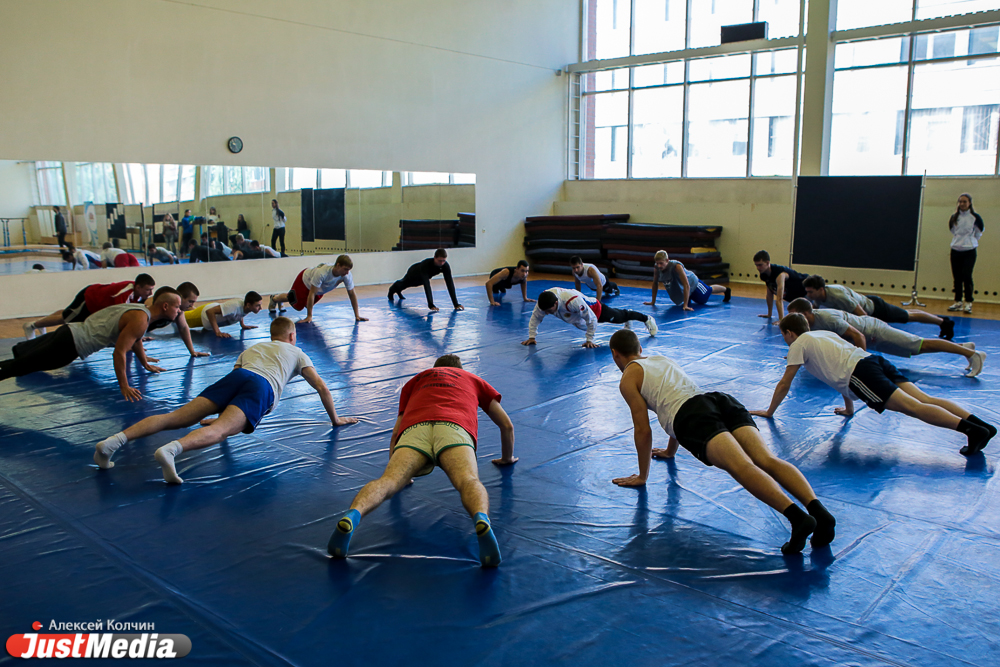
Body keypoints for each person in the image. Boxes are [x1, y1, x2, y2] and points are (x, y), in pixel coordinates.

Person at [608, 329, 834, 554]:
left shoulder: (629, 378)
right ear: (640, 349)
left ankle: (798, 518)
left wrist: (642, 475)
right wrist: (670, 450)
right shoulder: (660, 359)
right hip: (717, 400)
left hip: (694, 418)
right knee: (765, 458)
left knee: (741, 466)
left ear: (615, 353)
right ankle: (820, 513)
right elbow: (675, 397)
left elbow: (643, 429)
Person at [94, 317, 359, 483]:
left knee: (175, 417)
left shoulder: (255, 348)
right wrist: (335, 420)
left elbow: (234, 381)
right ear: (292, 336)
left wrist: (221, 412)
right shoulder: (297, 351)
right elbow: (321, 387)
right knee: (220, 432)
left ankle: (112, 442)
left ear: (271, 336)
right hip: (261, 386)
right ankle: (171, 450)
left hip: (239, 376)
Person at [326, 354, 516, 566]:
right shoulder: (472, 379)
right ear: (460, 369)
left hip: (414, 430)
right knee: (468, 480)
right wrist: (507, 458)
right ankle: (481, 518)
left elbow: (397, 430)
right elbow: (506, 425)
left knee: (387, 481)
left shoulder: (416, 380)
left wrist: (400, 473)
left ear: (434, 368)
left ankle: (353, 515)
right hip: (454, 428)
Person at [751, 314, 997, 457]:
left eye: (784, 336)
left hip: (861, 374)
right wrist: (849, 408)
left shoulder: (797, 345)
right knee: (925, 400)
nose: (785, 341)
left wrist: (769, 411)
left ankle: (971, 430)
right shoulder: (822, 334)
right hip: (872, 361)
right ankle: (981, 425)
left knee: (912, 407)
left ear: (790, 333)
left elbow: (785, 383)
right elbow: (836, 370)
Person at [1, 289, 181, 401]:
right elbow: (119, 353)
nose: (179, 311)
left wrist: (144, 363)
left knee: (22, 359)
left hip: (69, 332)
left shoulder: (139, 311)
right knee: (21, 366)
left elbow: (136, 340)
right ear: (165, 306)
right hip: (72, 344)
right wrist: (124, 386)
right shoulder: (141, 321)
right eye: (178, 307)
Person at [786, 298, 985, 378]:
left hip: (874, 331)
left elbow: (858, 336)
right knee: (917, 350)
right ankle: (963, 347)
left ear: (806, 312)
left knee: (920, 344)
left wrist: (861, 363)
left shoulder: (827, 318)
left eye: (795, 314)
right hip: (873, 336)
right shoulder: (809, 324)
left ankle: (973, 354)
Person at [802, 274, 954, 340]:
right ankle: (942, 321)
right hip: (868, 306)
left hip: (875, 308)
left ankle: (943, 322)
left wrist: (873, 330)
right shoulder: (819, 297)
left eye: (810, 292)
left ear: (821, 289)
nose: (808, 295)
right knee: (906, 314)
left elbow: (862, 315)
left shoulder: (838, 296)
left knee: (907, 316)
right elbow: (815, 307)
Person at [22, 274, 156, 339]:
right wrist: (134, 338)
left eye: (152, 290)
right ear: (138, 287)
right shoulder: (125, 294)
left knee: (67, 313)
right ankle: (32, 325)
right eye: (148, 290)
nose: (150, 293)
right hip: (90, 298)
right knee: (66, 319)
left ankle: (41, 323)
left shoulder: (138, 295)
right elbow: (119, 319)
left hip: (97, 302)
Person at [522, 287, 657, 348]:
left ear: (556, 303)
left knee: (619, 317)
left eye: (548, 311)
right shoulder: (544, 302)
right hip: (574, 315)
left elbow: (591, 318)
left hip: (595, 309)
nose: (546, 313)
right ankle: (627, 316)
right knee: (582, 325)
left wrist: (589, 340)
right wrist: (532, 336)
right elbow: (535, 317)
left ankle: (646, 318)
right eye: (544, 311)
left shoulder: (572, 301)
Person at [269, 255, 367, 323]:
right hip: (305, 281)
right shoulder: (322, 273)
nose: (347, 272)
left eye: (348, 270)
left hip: (320, 288)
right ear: (338, 265)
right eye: (345, 269)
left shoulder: (347, 275)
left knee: (307, 305)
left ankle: (279, 300)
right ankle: (274, 298)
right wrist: (309, 316)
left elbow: (352, 294)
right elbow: (311, 293)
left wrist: (357, 315)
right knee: (295, 301)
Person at [143, 283, 212, 359]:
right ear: (181, 298)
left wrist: (192, 351)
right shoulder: (155, 302)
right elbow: (142, 317)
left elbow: (183, 328)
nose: (192, 305)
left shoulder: (179, 311)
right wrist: (137, 338)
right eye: (190, 301)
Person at [644, 250, 730, 310]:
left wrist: (685, 305)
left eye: (661, 263)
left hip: (692, 284)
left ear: (667, 260)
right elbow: (655, 283)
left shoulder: (677, 266)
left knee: (705, 295)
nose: (659, 266)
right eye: (657, 263)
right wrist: (653, 301)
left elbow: (686, 284)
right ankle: (688, 298)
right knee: (688, 300)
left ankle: (726, 290)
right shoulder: (657, 268)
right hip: (682, 288)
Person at [387, 249, 464, 311]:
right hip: (413, 273)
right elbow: (427, 285)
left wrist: (456, 304)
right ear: (435, 258)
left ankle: (398, 291)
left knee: (409, 285)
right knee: (404, 283)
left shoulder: (445, 266)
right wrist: (431, 305)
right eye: (440, 261)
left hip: (422, 278)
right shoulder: (426, 265)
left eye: (444, 260)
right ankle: (391, 291)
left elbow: (449, 283)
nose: (442, 263)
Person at [948, 193, 984, 314]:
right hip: (955, 250)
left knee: (967, 275)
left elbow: (979, 231)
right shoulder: (954, 217)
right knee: (957, 277)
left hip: (969, 250)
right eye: (960, 202)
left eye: (965, 202)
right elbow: (953, 230)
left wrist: (970, 241)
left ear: (969, 203)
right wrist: (959, 241)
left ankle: (968, 302)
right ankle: (958, 301)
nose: (962, 204)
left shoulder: (975, 217)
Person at [753, 250, 807, 320]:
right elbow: (769, 294)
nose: (758, 268)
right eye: (756, 265)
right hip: (795, 295)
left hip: (806, 289)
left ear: (767, 263)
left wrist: (781, 320)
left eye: (760, 265)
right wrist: (769, 314)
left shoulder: (780, 274)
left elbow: (779, 299)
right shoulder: (764, 275)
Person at [185, 291, 263, 338]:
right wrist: (218, 332)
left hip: (212, 309)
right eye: (258, 305)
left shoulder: (246, 307)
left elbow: (241, 313)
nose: (260, 308)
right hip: (203, 315)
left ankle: (190, 308)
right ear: (249, 305)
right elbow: (209, 312)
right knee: (179, 316)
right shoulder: (234, 306)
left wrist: (242, 325)